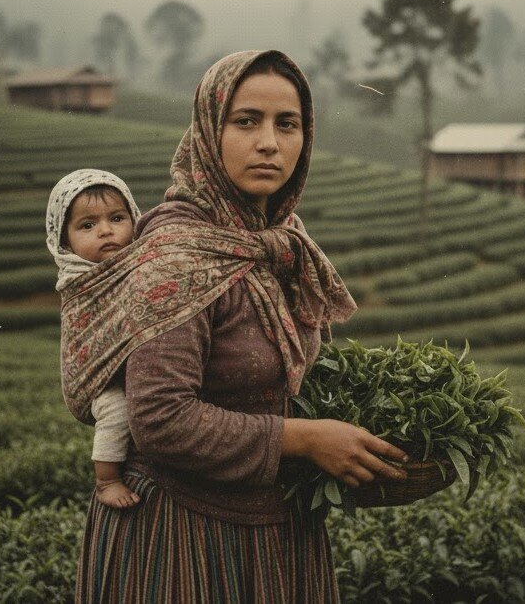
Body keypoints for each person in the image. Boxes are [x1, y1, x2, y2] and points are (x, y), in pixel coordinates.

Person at [70, 50, 408, 603]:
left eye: (287, 124)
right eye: (246, 121)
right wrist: (309, 439)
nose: (270, 142)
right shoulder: (177, 258)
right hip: (181, 542)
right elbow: (160, 418)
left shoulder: (281, 244)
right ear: (208, 129)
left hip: (276, 530)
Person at [45, 169, 143, 509]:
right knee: (118, 410)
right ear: (64, 239)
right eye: (87, 225)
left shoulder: (139, 263)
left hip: (135, 373)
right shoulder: (77, 279)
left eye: (117, 218)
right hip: (100, 385)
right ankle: (106, 480)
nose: (105, 231)